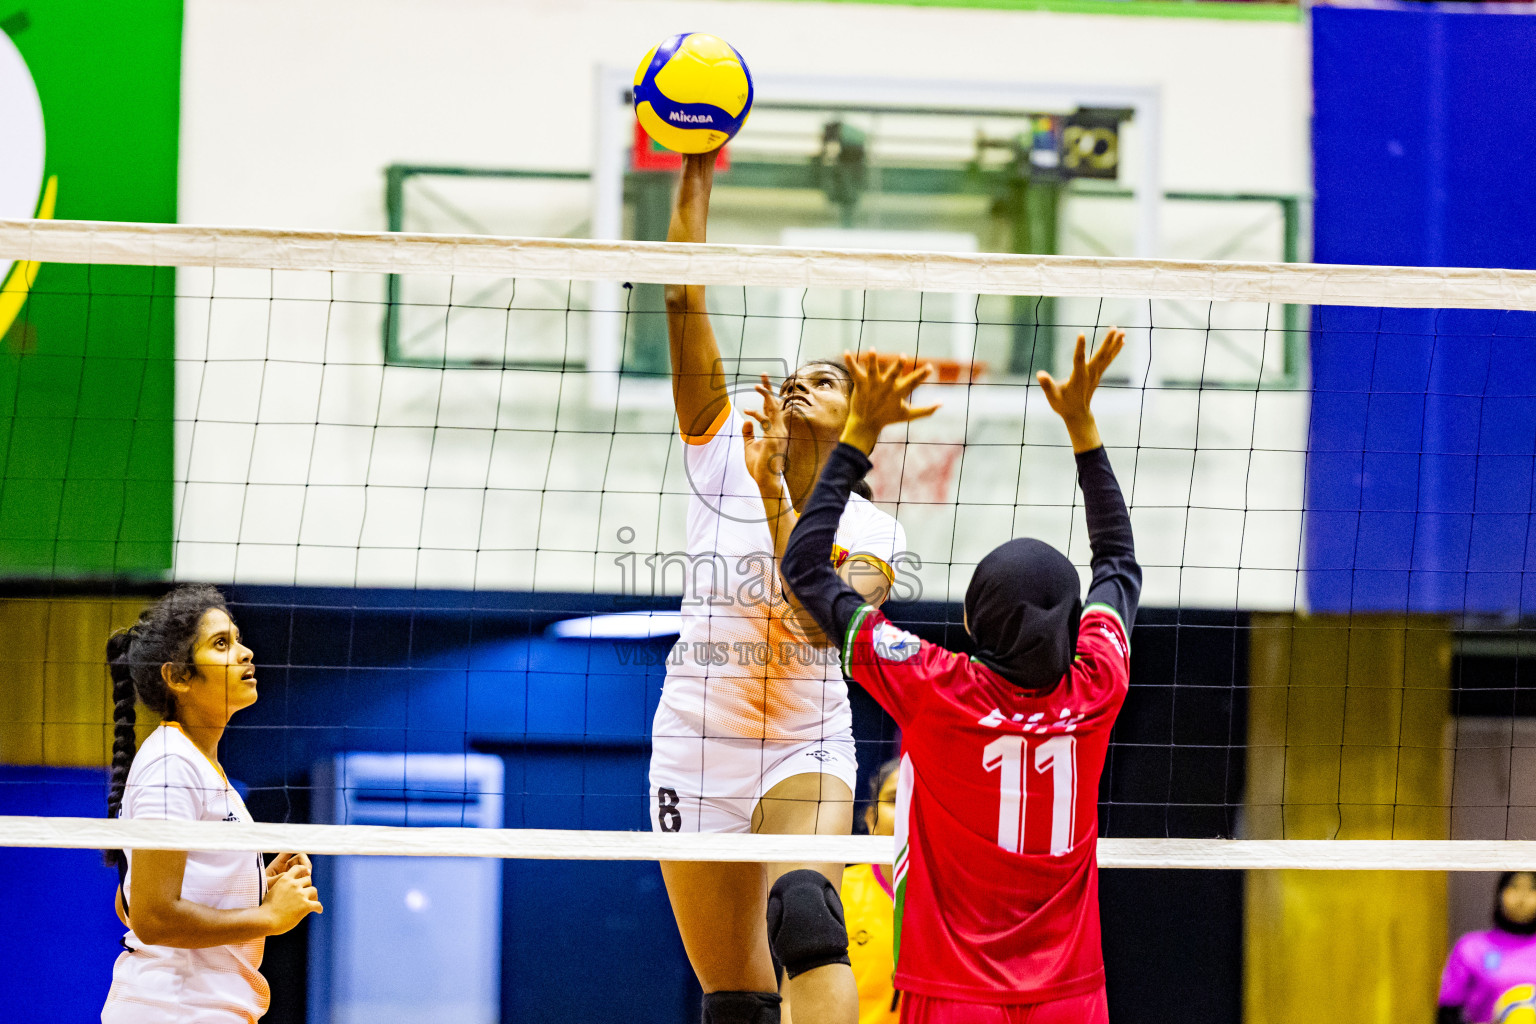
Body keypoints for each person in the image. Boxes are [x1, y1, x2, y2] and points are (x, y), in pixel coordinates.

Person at [780, 332, 1139, 1024]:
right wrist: (1085, 433)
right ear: (1073, 624)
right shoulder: (1097, 686)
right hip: (1071, 997)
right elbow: (1118, 565)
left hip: (953, 993)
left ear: (972, 623)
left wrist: (859, 437)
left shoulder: (934, 686)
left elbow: (805, 569)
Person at [651, 147, 908, 1024]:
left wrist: (772, 491)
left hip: (805, 741)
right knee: (736, 999)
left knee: (806, 918)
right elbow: (683, 296)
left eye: (828, 378)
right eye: (798, 371)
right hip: (697, 740)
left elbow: (816, 620)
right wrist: (696, 167)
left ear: (857, 423)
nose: (803, 379)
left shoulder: (876, 534)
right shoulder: (721, 454)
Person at [101, 584, 322, 1023]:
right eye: (222, 643)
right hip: (173, 1011)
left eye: (237, 639)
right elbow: (150, 916)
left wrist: (259, 879)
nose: (244, 652)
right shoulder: (170, 764)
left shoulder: (199, 765)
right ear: (178, 677)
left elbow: (130, 901)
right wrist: (268, 918)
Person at [842, 759, 902, 1024]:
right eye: (895, 799)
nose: (907, 810)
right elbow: (793, 1000)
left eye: (919, 798)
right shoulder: (837, 890)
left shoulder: (966, 898)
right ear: (870, 819)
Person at [1438, 872, 1536, 1024]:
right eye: (1514, 887)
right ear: (1500, 893)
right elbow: (1448, 1011)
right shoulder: (1471, 946)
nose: (1521, 897)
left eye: (1532, 889)